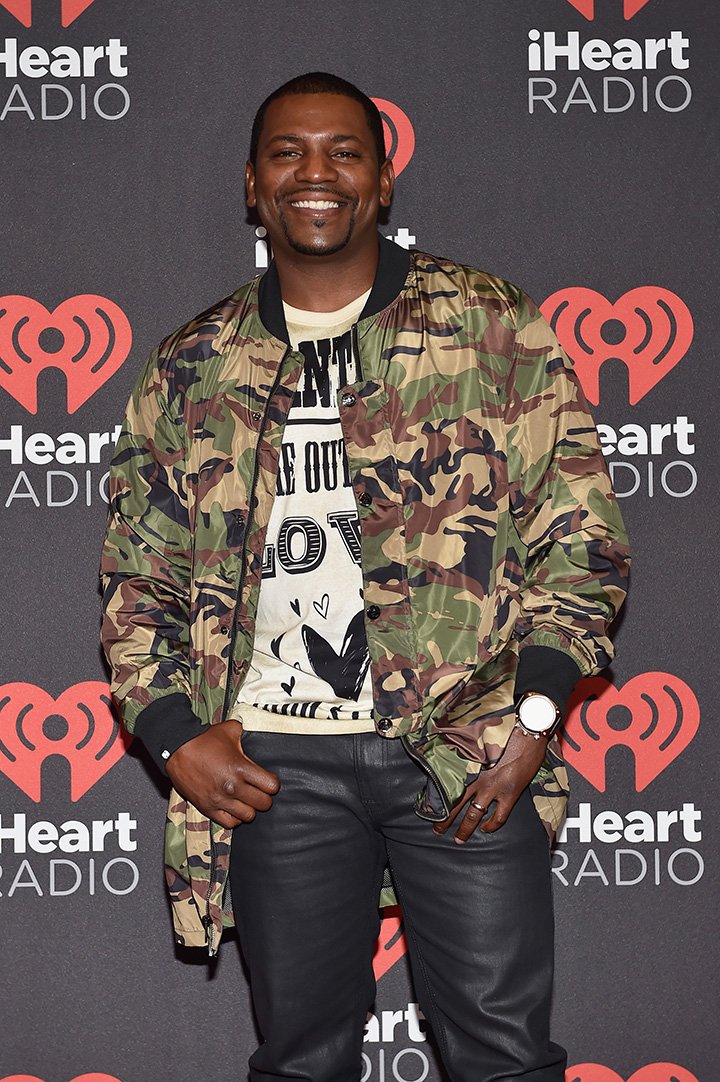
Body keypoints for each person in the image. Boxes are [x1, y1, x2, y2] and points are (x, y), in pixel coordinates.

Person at [101, 72, 630, 1082]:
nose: (316, 173)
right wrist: (172, 734)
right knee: (302, 1059)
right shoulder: (194, 362)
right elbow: (137, 573)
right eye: (289, 152)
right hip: (275, 768)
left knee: (507, 1057)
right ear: (252, 184)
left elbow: (583, 533)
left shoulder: (490, 323)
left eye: (344, 150)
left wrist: (531, 719)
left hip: (462, 747)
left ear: (384, 182)